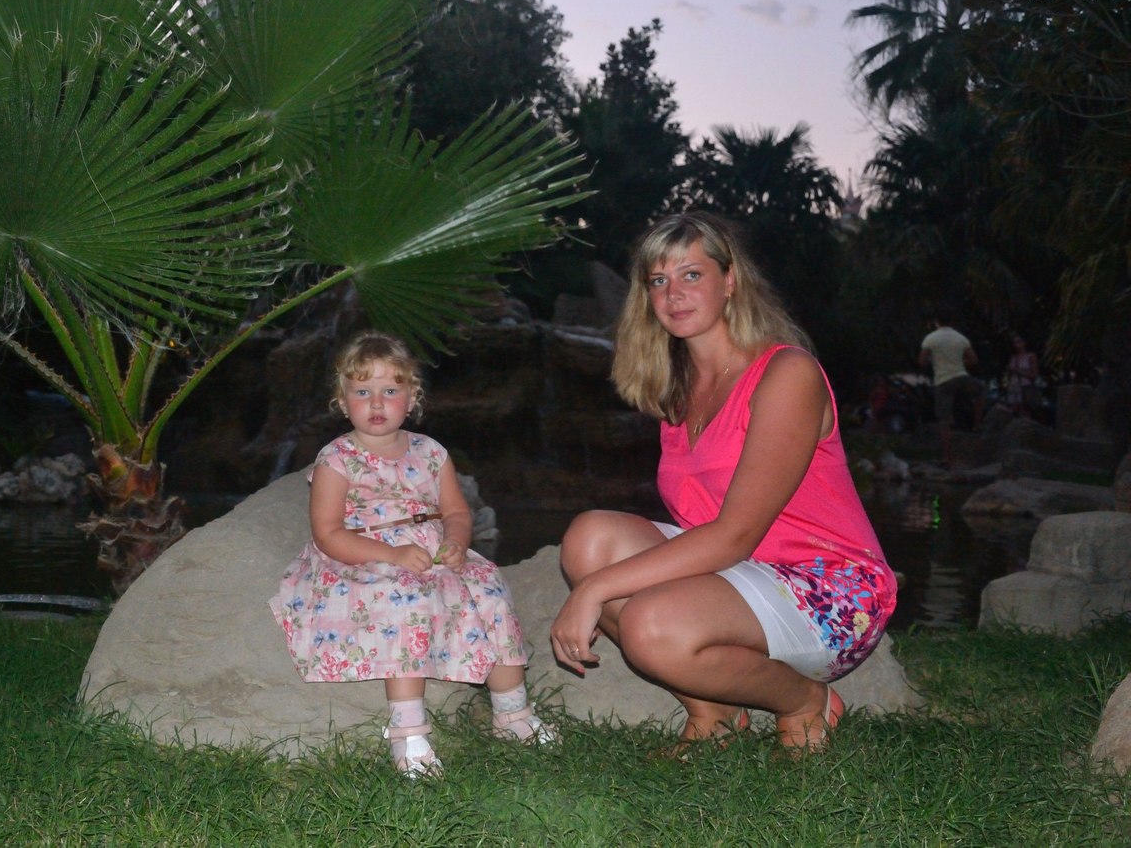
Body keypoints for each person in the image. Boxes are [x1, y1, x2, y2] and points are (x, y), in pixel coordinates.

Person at [549, 213, 897, 755]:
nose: (673, 294)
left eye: (691, 274)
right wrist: (595, 577)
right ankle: (715, 715)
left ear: (729, 280)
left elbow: (735, 533)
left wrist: (593, 591)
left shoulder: (786, 373)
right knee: (589, 538)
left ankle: (806, 703)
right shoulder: (680, 390)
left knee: (649, 625)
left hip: (831, 589)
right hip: (743, 573)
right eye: (658, 280)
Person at [271, 330, 554, 778]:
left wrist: (456, 541)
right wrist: (391, 554)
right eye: (362, 392)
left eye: (390, 391)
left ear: (412, 397)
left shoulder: (431, 452)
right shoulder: (337, 459)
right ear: (342, 402)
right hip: (363, 553)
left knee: (489, 589)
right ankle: (408, 732)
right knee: (404, 599)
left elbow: (456, 512)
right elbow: (328, 533)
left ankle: (512, 712)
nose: (376, 403)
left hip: (429, 551)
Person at [918, 307, 985, 466]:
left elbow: (921, 362)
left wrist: (935, 361)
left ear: (936, 322)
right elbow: (973, 360)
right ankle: (977, 423)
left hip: (943, 381)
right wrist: (959, 362)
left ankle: (947, 458)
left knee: (944, 420)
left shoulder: (930, 338)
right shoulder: (961, 338)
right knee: (980, 390)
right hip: (960, 376)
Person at [1003, 334, 1040, 418]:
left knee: (1025, 410)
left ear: (1024, 343)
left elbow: (1034, 374)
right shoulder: (1013, 357)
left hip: (1025, 386)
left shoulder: (1030, 356)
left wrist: (1019, 372)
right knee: (1013, 409)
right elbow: (1009, 374)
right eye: (1014, 343)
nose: (1016, 345)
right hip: (1013, 386)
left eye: (1019, 342)